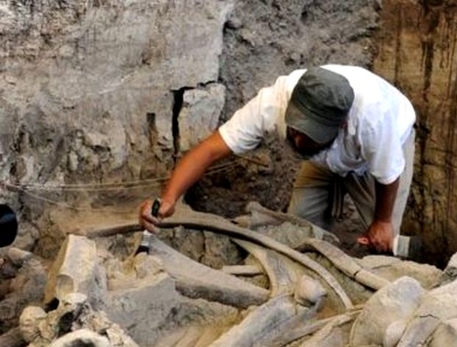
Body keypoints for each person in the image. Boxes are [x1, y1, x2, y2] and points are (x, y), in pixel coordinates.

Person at [139, 65, 416, 253]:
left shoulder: (373, 120)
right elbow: (210, 149)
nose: (298, 142)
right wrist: (169, 198)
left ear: (341, 125)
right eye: (295, 129)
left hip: (375, 159)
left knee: (384, 241)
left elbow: (388, 174)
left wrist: (382, 221)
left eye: (310, 135)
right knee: (299, 227)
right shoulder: (274, 102)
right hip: (323, 159)